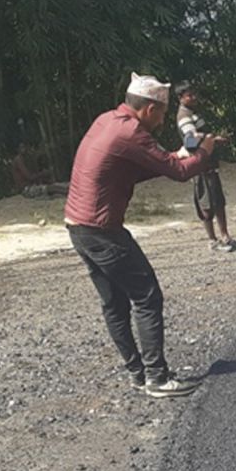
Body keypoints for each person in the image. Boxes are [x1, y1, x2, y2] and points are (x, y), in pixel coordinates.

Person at [65, 73, 219, 398]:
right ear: (150, 109)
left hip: (77, 226)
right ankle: (158, 378)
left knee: (114, 304)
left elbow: (139, 165)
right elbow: (180, 174)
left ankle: (138, 372)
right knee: (147, 296)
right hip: (103, 230)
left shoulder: (108, 120)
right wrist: (202, 152)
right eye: (162, 113)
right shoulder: (132, 131)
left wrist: (171, 157)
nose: (163, 120)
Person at [175, 82, 236, 252]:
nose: (193, 97)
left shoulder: (194, 113)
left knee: (218, 201)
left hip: (209, 165)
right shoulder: (184, 116)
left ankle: (225, 237)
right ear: (180, 98)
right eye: (189, 95)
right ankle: (212, 241)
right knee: (206, 203)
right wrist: (212, 138)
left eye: (194, 94)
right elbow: (190, 139)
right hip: (199, 165)